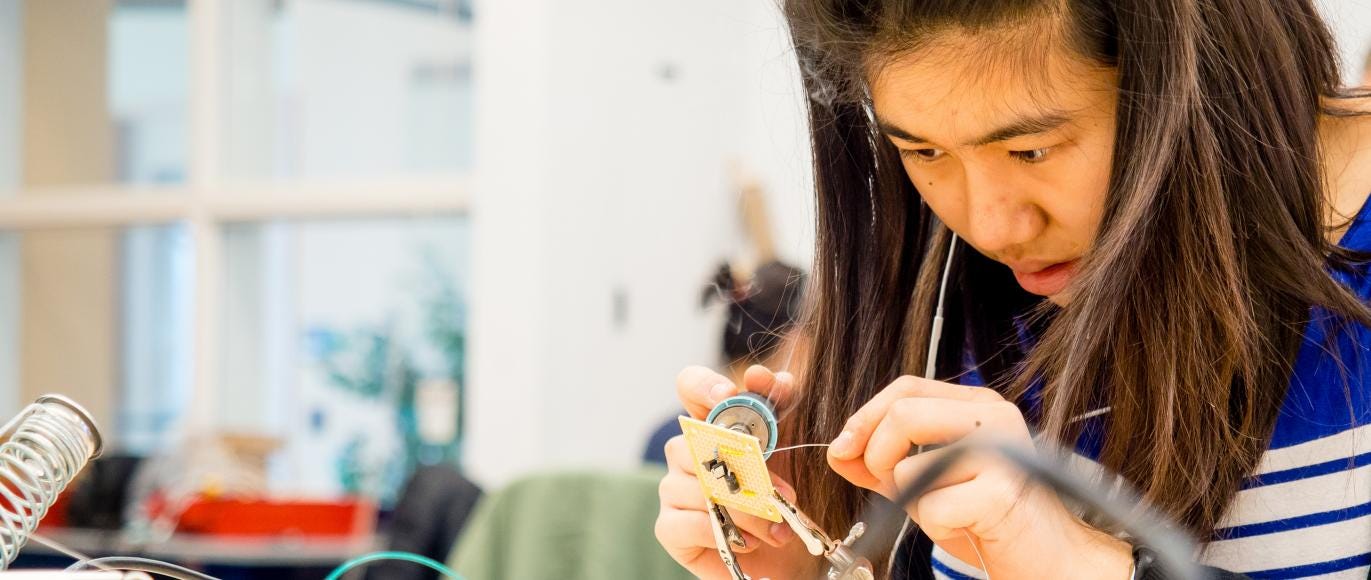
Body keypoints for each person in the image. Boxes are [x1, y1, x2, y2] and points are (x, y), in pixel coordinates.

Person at [656, 1, 1371, 578]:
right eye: (922, 151)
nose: (989, 227)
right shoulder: (946, 278)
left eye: (1031, 150)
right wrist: (805, 565)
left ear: (1197, 70)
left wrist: (1082, 566)